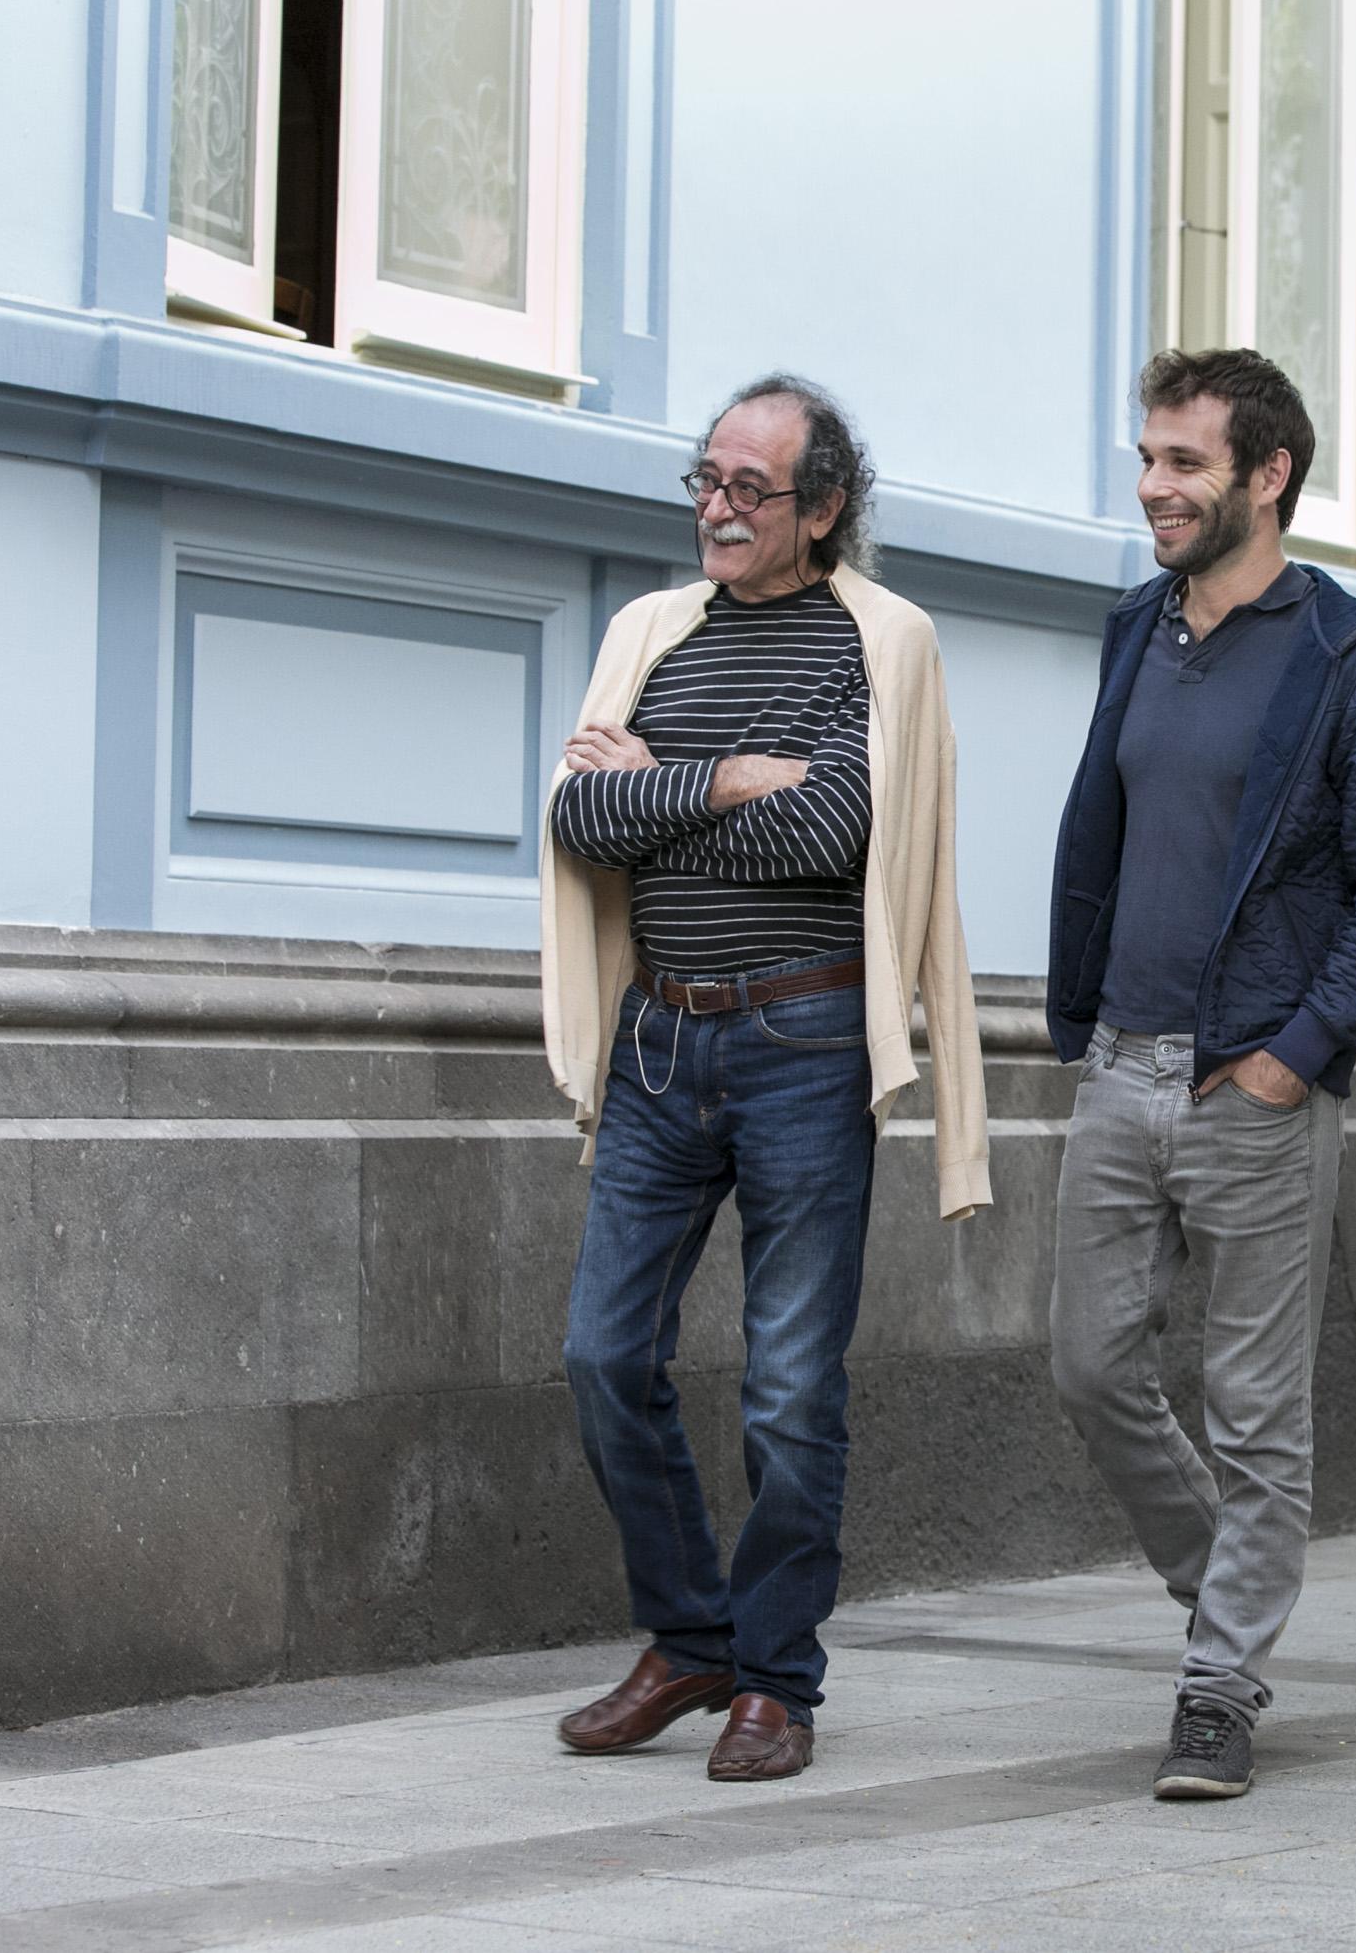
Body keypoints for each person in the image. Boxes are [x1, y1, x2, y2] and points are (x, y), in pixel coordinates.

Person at [536, 374, 991, 1781]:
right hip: (661, 1042)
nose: (719, 510)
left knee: (791, 1388)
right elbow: (576, 813)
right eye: (707, 481)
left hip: (802, 1045)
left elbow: (841, 830)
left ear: (825, 507)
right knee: (603, 1355)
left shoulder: (880, 642)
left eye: (752, 490)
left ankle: (777, 1680)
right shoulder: (648, 633)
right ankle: (690, 1640)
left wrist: (661, 787)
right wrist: (732, 779)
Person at [1046, 347, 1356, 1801]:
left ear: (1267, 475)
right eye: (1147, 458)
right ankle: (1233, 1592)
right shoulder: (1136, 633)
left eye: (1183, 463)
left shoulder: (1355, 659)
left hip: (1252, 1082)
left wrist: (1294, 1058)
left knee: (1254, 1406)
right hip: (1119, 1064)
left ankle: (1220, 1685)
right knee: (1088, 1366)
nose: (1151, 486)